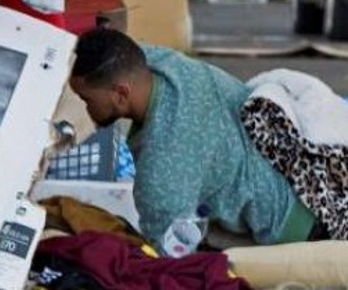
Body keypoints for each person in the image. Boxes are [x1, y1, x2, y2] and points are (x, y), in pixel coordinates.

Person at [67, 28, 325, 249]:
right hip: (314, 180)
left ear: (121, 93)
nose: (85, 109)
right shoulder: (163, 63)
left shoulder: (162, 173)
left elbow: (169, 258)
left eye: (86, 99)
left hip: (293, 231)